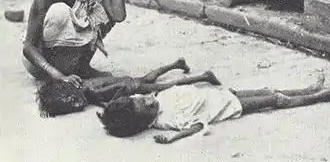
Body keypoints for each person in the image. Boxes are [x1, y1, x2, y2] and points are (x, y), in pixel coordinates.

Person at [97, 76, 330, 143]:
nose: (149, 99)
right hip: (231, 105)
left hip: (222, 95)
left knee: (269, 90)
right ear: (145, 120)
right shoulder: (167, 120)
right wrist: (173, 138)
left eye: (144, 98)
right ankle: (327, 94)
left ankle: (309, 89)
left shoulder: (155, 101)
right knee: (276, 99)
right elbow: (196, 126)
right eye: (146, 105)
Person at [37, 57, 221, 117]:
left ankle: (203, 76)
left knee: (166, 86)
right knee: (150, 76)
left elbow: (113, 91)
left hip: (130, 87)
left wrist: (110, 105)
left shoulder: (91, 93)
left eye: (73, 105)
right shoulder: (81, 83)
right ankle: (176, 64)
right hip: (127, 81)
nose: (78, 107)